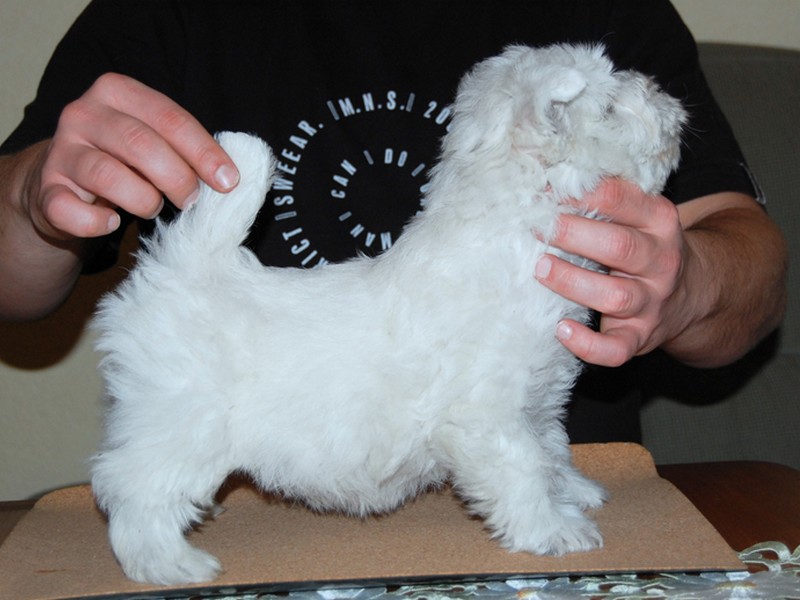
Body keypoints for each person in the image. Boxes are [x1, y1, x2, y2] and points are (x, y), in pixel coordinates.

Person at [0, 1, 787, 442]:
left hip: (546, 493)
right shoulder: (161, 15)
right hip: (251, 486)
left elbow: (749, 268)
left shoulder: (604, 13)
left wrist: (688, 286)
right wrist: (33, 198)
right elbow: (14, 287)